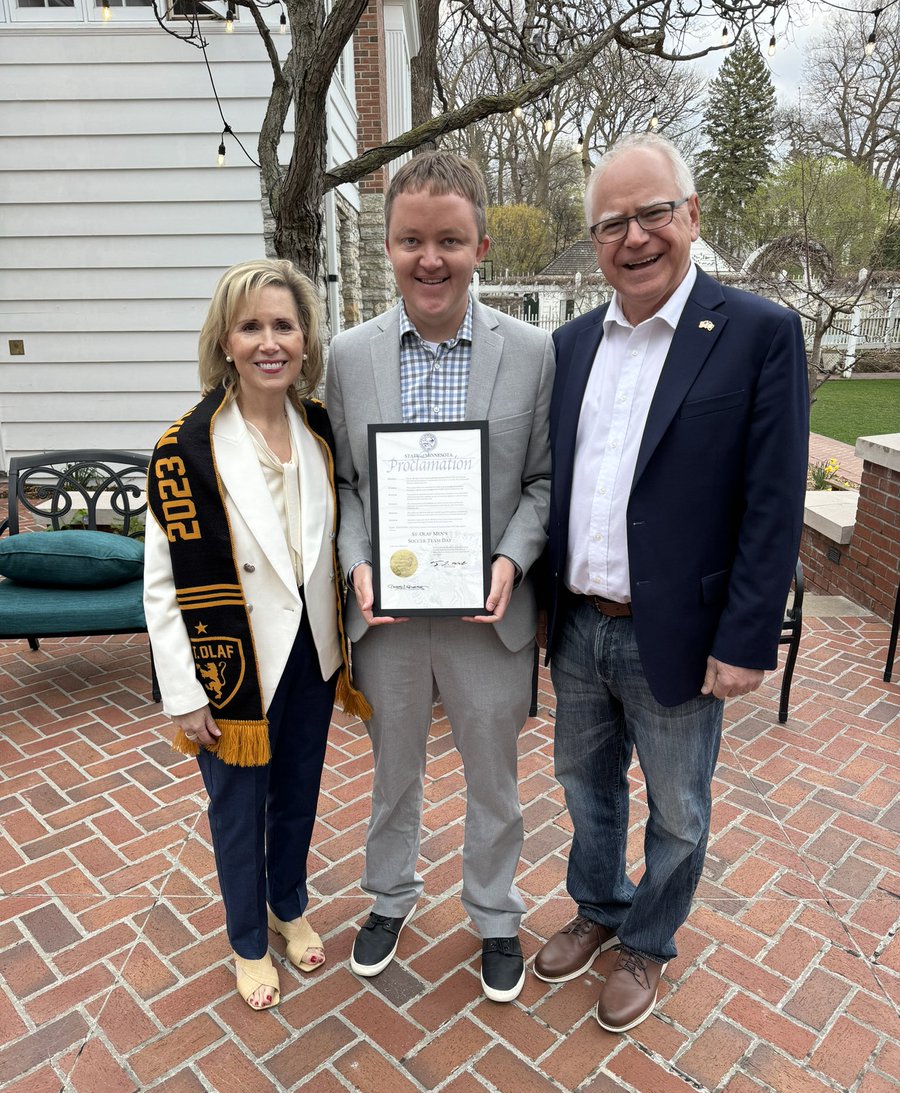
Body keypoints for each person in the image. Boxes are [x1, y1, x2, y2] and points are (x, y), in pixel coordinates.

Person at [534, 133, 808, 1033]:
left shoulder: (758, 334)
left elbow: (773, 502)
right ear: (594, 239)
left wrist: (746, 639)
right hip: (579, 625)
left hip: (685, 636)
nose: (635, 236)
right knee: (586, 788)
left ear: (691, 216)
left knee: (680, 809)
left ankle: (648, 945)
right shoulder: (569, 345)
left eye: (653, 212)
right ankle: (599, 907)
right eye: (612, 222)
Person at [326, 152, 554, 1003]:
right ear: (387, 246)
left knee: (493, 773)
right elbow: (347, 482)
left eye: (449, 240)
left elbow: (542, 480)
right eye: (412, 239)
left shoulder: (532, 353)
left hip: (487, 612)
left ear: (481, 245)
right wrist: (355, 563)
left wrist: (511, 559)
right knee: (393, 769)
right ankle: (389, 897)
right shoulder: (348, 356)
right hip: (386, 613)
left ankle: (494, 913)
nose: (431, 258)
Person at [144, 259, 368, 1011]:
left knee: (297, 797)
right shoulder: (186, 450)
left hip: (312, 652)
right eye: (252, 327)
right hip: (233, 666)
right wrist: (182, 694)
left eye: (283, 325)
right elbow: (163, 584)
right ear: (226, 341)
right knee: (238, 810)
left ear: (305, 339)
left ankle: (287, 904)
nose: (269, 341)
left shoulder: (320, 430)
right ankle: (246, 938)